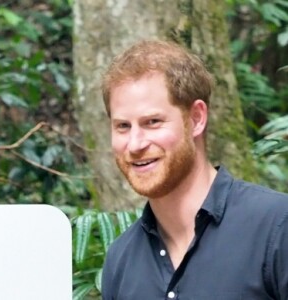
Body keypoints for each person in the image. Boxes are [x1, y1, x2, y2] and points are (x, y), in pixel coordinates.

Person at [100, 40, 288, 300]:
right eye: (122, 126)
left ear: (196, 118)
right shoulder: (120, 259)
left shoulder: (277, 226)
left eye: (152, 122)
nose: (135, 144)